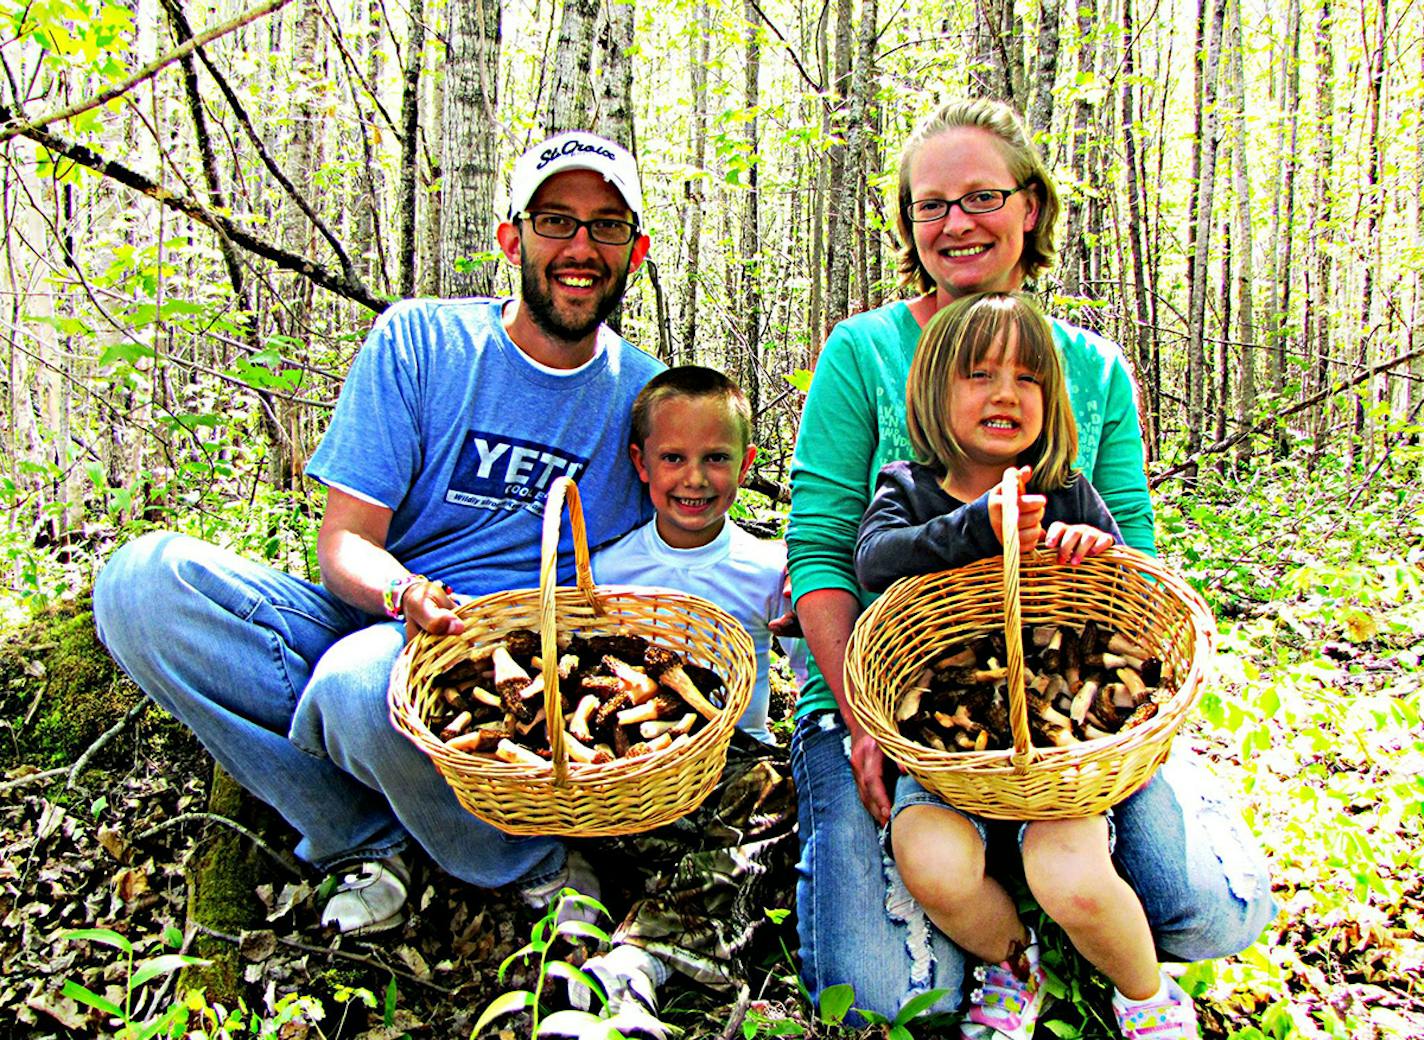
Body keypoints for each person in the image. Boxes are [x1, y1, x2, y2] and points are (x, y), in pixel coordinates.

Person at [92, 131, 664, 936]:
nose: (580, 247)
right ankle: (368, 835)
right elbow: (345, 544)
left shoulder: (643, 397)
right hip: (382, 609)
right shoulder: (421, 342)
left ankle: (527, 856)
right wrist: (402, 593)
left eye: (607, 226)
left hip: (503, 669)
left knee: (364, 692)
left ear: (633, 251)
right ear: (512, 239)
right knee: (142, 584)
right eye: (554, 220)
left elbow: (671, 554)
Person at [785, 96, 1276, 1024]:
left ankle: (1111, 844)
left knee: (1206, 917)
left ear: (1031, 209)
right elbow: (823, 551)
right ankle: (1009, 928)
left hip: (1060, 713)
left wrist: (1096, 571)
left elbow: (1132, 554)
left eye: (981, 197)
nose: (955, 223)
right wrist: (865, 725)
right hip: (903, 705)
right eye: (929, 205)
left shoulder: (1089, 368)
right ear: (907, 226)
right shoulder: (863, 352)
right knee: (884, 1002)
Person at [855, 292, 1193, 1040]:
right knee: (930, 863)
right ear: (935, 394)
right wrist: (976, 527)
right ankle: (1012, 960)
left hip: (1057, 746)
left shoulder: (1065, 487)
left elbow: (1123, 591)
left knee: (1069, 877)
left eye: (1028, 379)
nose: (1005, 393)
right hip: (948, 746)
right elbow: (874, 559)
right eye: (979, 375)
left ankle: (1146, 992)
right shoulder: (908, 488)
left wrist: (1087, 546)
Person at [576, 366, 800, 1028]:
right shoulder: (612, 571)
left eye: (716, 459)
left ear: (747, 463)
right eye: (673, 458)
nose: (694, 479)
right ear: (641, 464)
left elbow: (809, 672)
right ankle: (653, 951)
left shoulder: (768, 567)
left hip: (731, 770)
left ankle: (638, 965)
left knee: (770, 789)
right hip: (636, 771)